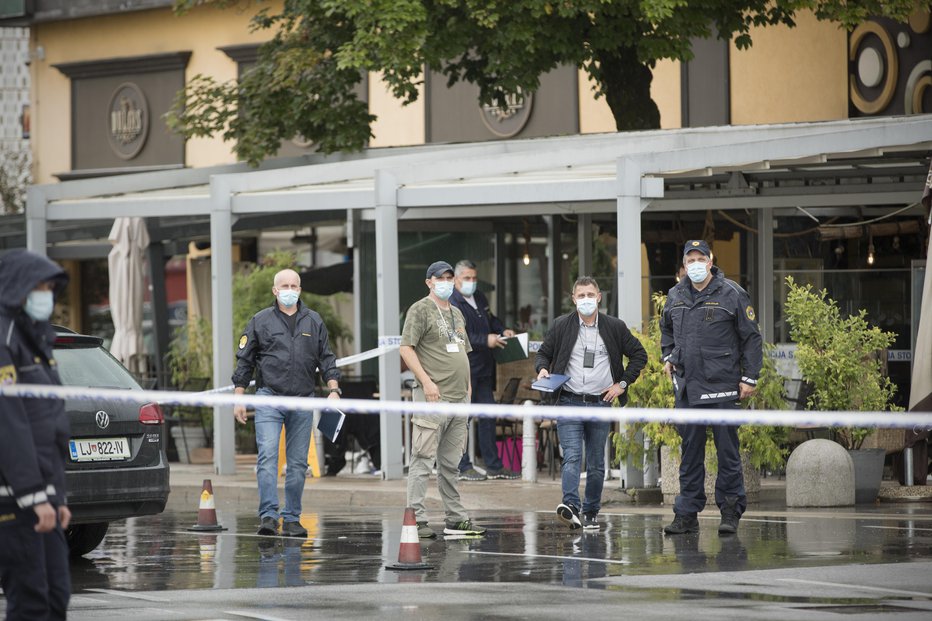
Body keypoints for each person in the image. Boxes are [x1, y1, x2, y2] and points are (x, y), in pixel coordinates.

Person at [660, 240, 762, 536]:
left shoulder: (732, 293)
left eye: (700, 257)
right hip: (688, 389)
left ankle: (730, 511)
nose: (695, 263)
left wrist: (750, 377)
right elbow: (666, 331)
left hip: (722, 388)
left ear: (710, 260)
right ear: (684, 262)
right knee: (689, 453)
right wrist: (669, 357)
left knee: (727, 452)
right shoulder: (675, 295)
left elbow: (751, 338)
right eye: (690, 258)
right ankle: (686, 514)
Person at [233, 268, 342, 538]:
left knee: (296, 463)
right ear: (275, 290)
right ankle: (268, 516)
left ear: (300, 290)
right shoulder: (260, 321)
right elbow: (245, 361)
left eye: (295, 285)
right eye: (285, 285)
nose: (290, 290)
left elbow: (326, 359)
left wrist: (334, 389)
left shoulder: (314, 321)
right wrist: (238, 398)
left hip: (303, 400)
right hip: (269, 397)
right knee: (268, 456)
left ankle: (292, 517)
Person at [535, 276, 647, 531]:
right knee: (572, 456)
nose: (586, 299)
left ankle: (591, 511)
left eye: (590, 295)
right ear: (573, 299)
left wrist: (622, 384)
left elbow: (639, 355)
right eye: (581, 295)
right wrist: (542, 369)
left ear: (599, 297)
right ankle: (571, 507)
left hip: (600, 402)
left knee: (596, 462)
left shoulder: (614, 327)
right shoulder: (561, 325)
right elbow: (544, 353)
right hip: (569, 401)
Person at [0, 249, 72, 621]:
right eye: (39, 286)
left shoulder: (36, 339)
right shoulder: (4, 338)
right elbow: (9, 425)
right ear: (18, 288)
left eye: (49, 287)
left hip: (45, 496)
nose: (46, 294)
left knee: (56, 597)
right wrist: (32, 496)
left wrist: (56, 497)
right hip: (14, 499)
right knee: (30, 602)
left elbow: (51, 426)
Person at [400, 260, 486, 539]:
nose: (446, 282)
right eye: (441, 278)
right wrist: (426, 382)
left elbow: (464, 354)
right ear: (429, 282)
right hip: (432, 397)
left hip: (459, 398)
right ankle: (417, 518)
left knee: (451, 463)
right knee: (422, 458)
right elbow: (406, 348)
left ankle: (455, 518)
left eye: (450, 278)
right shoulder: (420, 309)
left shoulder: (458, 314)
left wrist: (469, 389)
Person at [449, 259, 518, 481]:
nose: (471, 282)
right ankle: (462, 465)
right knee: (463, 419)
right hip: (465, 369)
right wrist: (484, 340)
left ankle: (494, 466)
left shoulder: (479, 297)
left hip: (485, 369)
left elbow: (490, 319)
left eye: (474, 278)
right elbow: (459, 335)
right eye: (466, 278)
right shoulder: (453, 303)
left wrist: (502, 329)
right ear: (456, 279)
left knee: (488, 416)